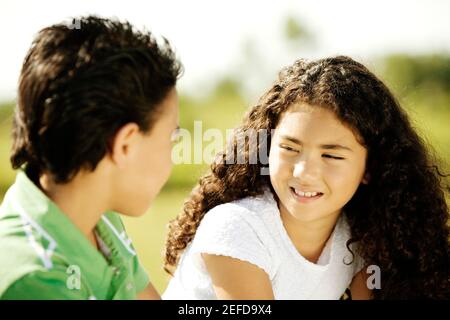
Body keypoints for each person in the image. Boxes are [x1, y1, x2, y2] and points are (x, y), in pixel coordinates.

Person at [163, 56, 449, 299]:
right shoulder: (239, 227)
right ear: (266, 147)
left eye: (332, 156)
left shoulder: (362, 236)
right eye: (289, 148)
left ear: (371, 168)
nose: (304, 172)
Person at [0, 15, 182, 299]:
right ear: (126, 144)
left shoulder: (98, 217)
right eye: (171, 139)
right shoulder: (34, 281)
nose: (172, 159)